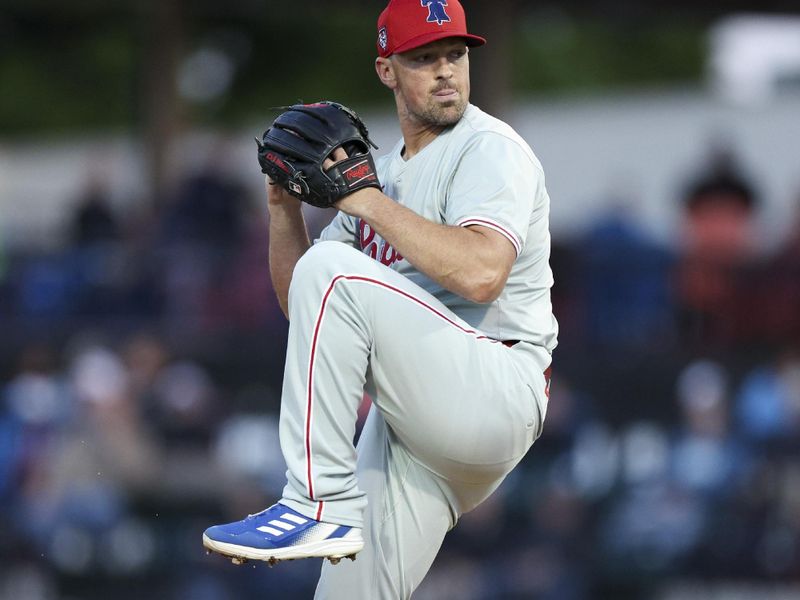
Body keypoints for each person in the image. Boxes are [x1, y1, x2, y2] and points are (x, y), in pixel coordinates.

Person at [202, 0, 558, 597]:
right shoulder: (383, 173)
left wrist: (363, 201)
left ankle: (316, 501)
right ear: (386, 70)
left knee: (335, 267)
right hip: (414, 423)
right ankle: (325, 507)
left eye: (455, 54)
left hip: (496, 386)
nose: (446, 71)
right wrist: (283, 209)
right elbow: (306, 308)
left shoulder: (489, 148)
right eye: (424, 58)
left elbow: (481, 275)